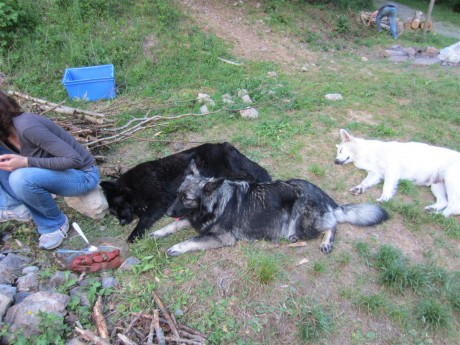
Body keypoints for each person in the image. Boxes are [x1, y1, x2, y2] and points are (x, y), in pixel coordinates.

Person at [0, 90, 99, 250]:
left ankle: (54, 225)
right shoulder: (4, 134)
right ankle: (15, 206)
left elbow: (74, 159)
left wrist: (26, 162)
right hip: (54, 175)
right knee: (19, 174)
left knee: (20, 177)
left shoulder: (27, 127)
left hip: (83, 175)